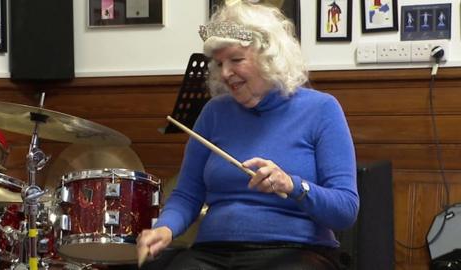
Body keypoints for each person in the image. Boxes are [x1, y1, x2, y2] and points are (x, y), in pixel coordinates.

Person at [137, 1, 359, 269]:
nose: (225, 73)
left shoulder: (321, 109)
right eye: (219, 64)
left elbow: (346, 210)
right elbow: (187, 195)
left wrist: (292, 185)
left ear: (270, 58)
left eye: (236, 60)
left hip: (296, 252)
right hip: (212, 252)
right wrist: (164, 229)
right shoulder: (214, 113)